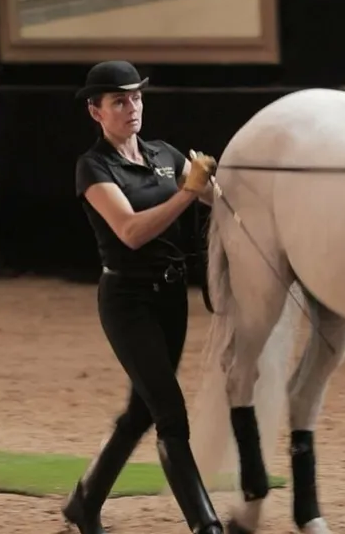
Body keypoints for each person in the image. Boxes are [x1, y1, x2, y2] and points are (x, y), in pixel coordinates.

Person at [62, 60, 223, 534]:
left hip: (171, 300)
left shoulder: (164, 155)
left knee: (141, 412)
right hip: (127, 301)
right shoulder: (93, 166)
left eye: (135, 98)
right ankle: (205, 525)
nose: (131, 108)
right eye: (119, 101)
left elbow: (215, 197)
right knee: (170, 413)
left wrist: (209, 184)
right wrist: (186, 194)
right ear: (96, 111)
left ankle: (85, 503)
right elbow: (130, 231)